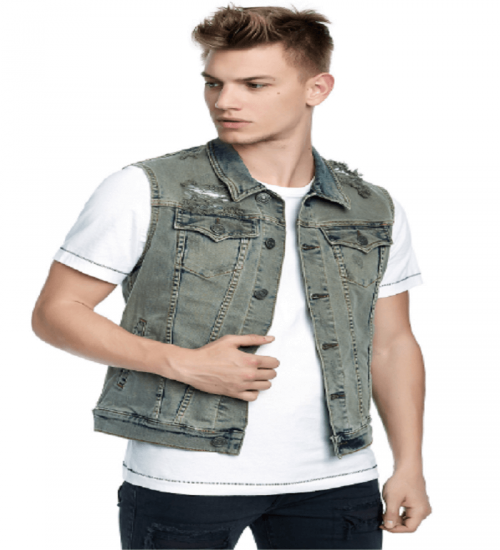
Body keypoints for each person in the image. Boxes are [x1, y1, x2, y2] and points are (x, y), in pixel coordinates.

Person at [31, 4, 432, 549]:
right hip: (185, 476)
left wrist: (410, 463)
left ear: (317, 88)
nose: (225, 101)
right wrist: (183, 363)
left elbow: (392, 343)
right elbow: (56, 312)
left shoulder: (371, 207)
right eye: (214, 83)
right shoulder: (146, 189)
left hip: (337, 480)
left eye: (254, 84)